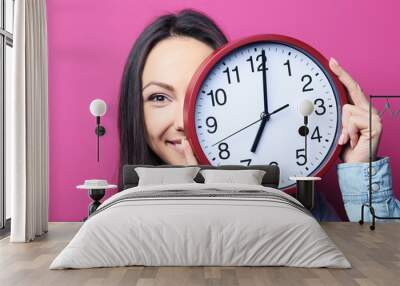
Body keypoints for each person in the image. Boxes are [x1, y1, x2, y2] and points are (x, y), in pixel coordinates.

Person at [118, 9, 400, 222]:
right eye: (159, 97)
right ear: (135, 111)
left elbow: (383, 261)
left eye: (198, 96)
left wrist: (363, 172)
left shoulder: (305, 214)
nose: (183, 123)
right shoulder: (111, 223)